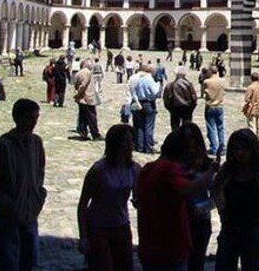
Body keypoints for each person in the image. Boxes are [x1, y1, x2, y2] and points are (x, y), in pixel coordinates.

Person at [136, 130, 219, 271]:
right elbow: (187, 189)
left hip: (150, 241)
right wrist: (211, 172)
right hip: (170, 243)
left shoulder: (147, 169)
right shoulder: (169, 169)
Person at [213, 129, 259, 271]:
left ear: (253, 149)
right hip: (229, 230)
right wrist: (222, 210)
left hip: (252, 231)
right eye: (236, 149)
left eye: (244, 148)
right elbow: (216, 188)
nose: (239, 153)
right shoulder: (227, 170)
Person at [0, 99, 46, 271]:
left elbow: (40, 170)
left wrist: (38, 195)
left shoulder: (36, 143)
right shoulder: (5, 145)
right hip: (10, 211)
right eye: (30, 118)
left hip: (30, 209)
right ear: (17, 118)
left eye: (36, 118)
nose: (33, 122)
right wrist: (5, 203)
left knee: (30, 258)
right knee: (7, 258)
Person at [77, 124, 140, 271]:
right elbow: (83, 204)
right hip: (98, 227)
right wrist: (83, 236)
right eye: (126, 141)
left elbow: (138, 200)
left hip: (122, 225)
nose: (130, 145)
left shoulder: (135, 169)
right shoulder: (98, 170)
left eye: (132, 141)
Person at [178, 125, 216, 271]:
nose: (190, 143)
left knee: (196, 262)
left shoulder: (207, 164)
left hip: (200, 220)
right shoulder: (176, 164)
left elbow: (216, 194)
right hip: (179, 219)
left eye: (192, 139)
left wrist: (203, 208)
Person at [131, 65, 160, 154]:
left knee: (140, 126)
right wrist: (158, 85)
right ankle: (148, 147)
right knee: (149, 126)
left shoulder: (140, 80)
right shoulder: (149, 79)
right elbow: (155, 92)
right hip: (149, 103)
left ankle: (140, 146)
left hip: (140, 102)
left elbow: (134, 92)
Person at [74, 59, 103, 141]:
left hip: (83, 98)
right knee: (91, 117)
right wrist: (78, 94)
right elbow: (83, 85)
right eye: (91, 64)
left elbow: (76, 84)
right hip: (87, 98)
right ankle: (95, 134)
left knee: (83, 117)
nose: (92, 66)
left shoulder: (79, 72)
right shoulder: (86, 72)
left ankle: (83, 133)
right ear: (86, 65)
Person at [203, 67, 229, 155]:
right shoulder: (222, 81)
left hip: (210, 106)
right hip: (220, 106)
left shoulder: (207, 82)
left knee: (211, 127)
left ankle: (214, 147)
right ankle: (222, 147)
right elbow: (225, 91)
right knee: (220, 127)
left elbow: (204, 93)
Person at [163, 66, 198, 131]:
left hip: (174, 108)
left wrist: (170, 108)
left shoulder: (170, 85)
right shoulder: (189, 84)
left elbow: (166, 100)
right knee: (187, 128)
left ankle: (176, 140)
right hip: (187, 108)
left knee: (175, 128)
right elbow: (194, 98)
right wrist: (191, 108)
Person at [243, 73, 259, 147]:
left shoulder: (251, 87)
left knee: (251, 126)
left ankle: (252, 142)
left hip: (251, 109)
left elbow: (246, 99)